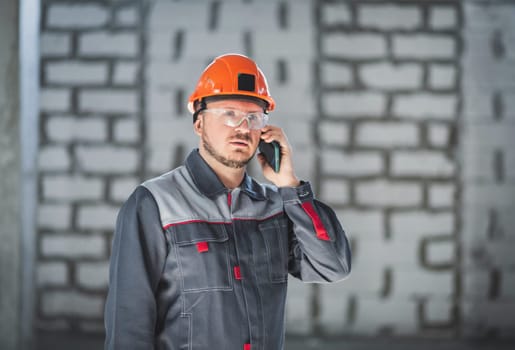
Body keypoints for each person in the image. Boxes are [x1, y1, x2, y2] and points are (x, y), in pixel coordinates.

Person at [104, 53, 351, 350]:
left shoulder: (275, 207)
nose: (243, 127)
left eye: (254, 117)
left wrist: (290, 186)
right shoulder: (155, 204)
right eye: (229, 114)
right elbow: (129, 322)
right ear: (198, 122)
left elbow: (333, 266)